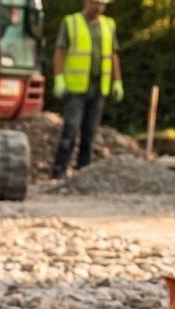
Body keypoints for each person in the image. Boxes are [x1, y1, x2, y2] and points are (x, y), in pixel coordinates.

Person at [50, 0, 123, 180]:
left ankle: (84, 171)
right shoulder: (71, 22)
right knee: (71, 129)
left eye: (102, 5)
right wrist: (59, 78)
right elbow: (60, 51)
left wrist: (117, 81)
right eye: (96, 3)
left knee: (90, 131)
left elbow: (113, 54)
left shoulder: (108, 24)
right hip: (76, 87)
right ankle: (59, 170)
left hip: (99, 86)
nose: (99, 8)